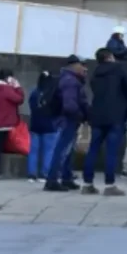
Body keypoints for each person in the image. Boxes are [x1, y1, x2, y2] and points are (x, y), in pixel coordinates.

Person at [82, 48, 127, 196]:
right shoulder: (121, 68)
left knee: (93, 149)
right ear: (110, 56)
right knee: (111, 151)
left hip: (98, 114)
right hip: (116, 114)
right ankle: (109, 184)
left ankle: (87, 183)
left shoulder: (96, 72)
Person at [44, 55, 90, 193]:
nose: (85, 68)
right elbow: (70, 105)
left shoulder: (70, 79)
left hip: (67, 119)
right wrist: (81, 115)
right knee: (62, 149)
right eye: (82, 64)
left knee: (67, 150)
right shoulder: (70, 81)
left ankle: (66, 177)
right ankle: (52, 180)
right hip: (68, 119)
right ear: (74, 65)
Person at [27, 71, 59, 182]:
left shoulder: (34, 93)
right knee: (49, 151)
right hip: (50, 126)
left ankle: (31, 174)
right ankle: (44, 174)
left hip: (35, 125)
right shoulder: (53, 93)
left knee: (33, 151)